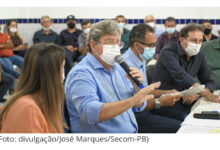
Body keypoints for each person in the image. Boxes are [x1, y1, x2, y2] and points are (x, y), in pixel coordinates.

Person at [65, 20, 182, 133]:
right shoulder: (81, 73)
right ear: (93, 45)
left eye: (118, 42)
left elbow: (137, 105)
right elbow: (89, 113)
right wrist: (134, 100)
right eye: (109, 42)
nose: (115, 47)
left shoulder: (118, 68)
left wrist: (137, 89)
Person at [153, 23, 220, 121]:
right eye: (194, 40)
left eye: (200, 41)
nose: (197, 44)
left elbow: (209, 80)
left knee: (210, 114)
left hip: (186, 99)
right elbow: (181, 76)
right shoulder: (168, 52)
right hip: (165, 101)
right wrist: (206, 94)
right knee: (192, 119)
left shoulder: (199, 55)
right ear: (182, 40)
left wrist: (197, 93)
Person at [123, 23, 183, 133]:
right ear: (137, 45)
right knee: (180, 127)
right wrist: (160, 101)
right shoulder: (126, 66)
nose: (153, 48)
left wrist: (167, 92)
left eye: (155, 44)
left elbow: (144, 90)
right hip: (135, 115)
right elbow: (135, 103)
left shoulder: (140, 59)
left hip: (146, 106)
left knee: (184, 116)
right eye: (150, 45)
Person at [0, 43, 66, 133]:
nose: (63, 74)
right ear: (51, 73)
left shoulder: (45, 101)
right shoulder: (29, 109)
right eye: (62, 67)